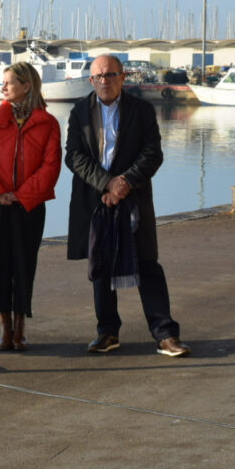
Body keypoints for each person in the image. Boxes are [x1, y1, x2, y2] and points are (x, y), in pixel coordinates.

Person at [64, 54, 190, 357]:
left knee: (147, 264)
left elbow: (152, 153)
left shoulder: (142, 110)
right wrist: (106, 183)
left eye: (110, 75)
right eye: (98, 77)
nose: (104, 81)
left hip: (132, 197)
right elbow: (73, 156)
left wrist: (124, 183)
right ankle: (107, 333)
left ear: (123, 77)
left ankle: (165, 335)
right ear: (91, 81)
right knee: (100, 266)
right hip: (96, 198)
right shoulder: (80, 111)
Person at [0, 62, 61, 351]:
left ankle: (20, 326)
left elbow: (51, 165)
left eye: (8, 82)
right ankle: (4, 326)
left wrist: (23, 195)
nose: (3, 87)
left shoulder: (47, 123)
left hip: (29, 206)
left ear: (26, 85)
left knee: (24, 264)